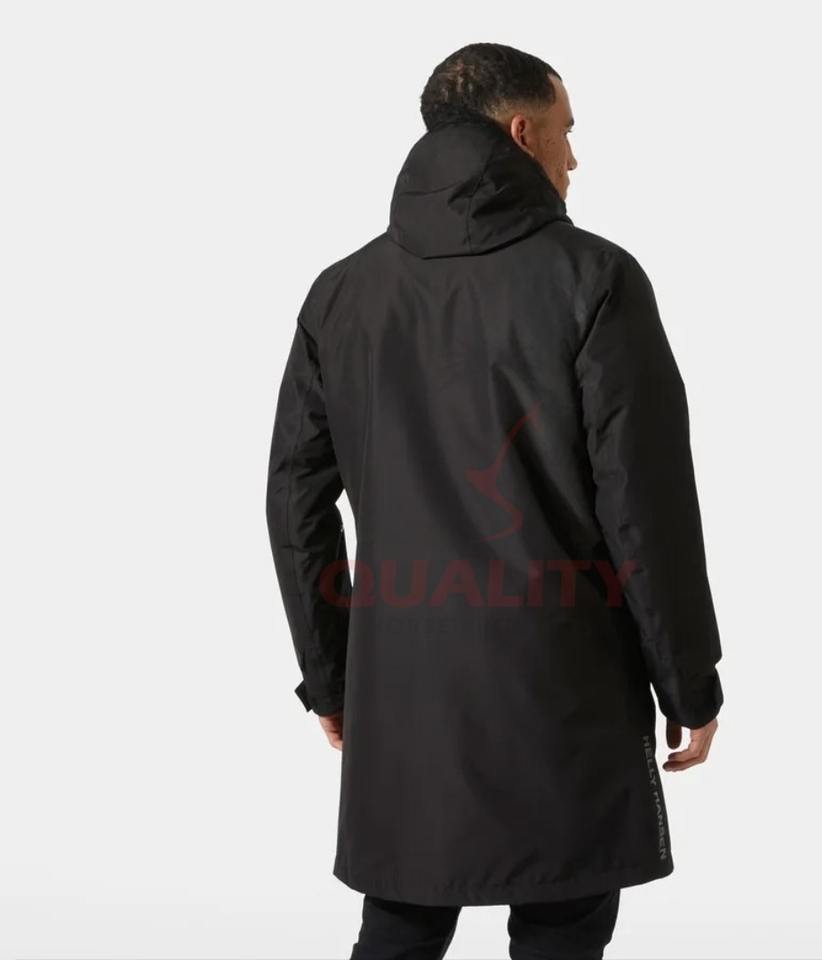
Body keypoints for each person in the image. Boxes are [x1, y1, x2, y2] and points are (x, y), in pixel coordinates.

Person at [265, 41, 724, 960]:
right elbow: (646, 504)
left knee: (401, 921)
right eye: (565, 131)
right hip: (564, 685)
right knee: (562, 924)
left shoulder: (342, 293)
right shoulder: (594, 278)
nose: (574, 156)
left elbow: (296, 501)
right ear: (522, 132)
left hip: (402, 686)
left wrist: (331, 673)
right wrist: (688, 679)